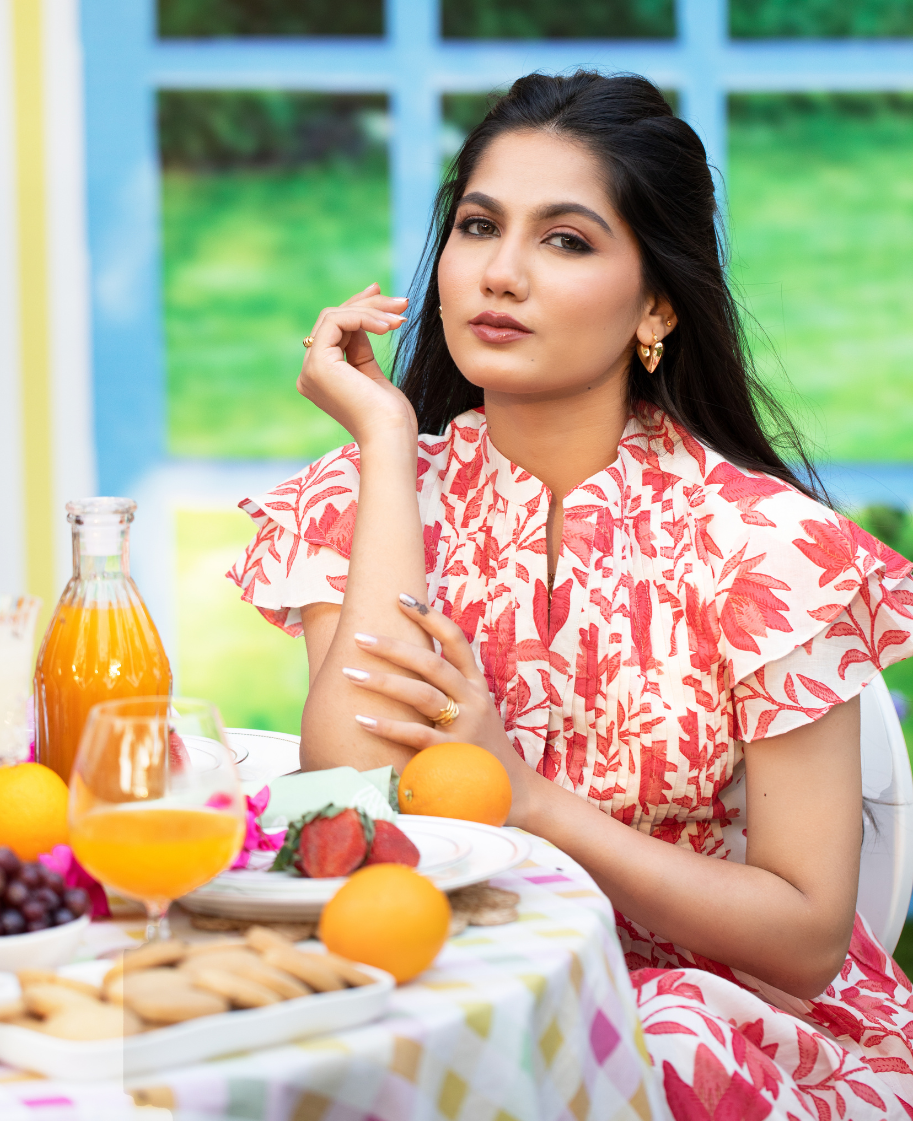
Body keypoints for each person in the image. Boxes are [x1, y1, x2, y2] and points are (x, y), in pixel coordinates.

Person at [230, 71, 913, 1118]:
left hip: (720, 1030)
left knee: (663, 1035)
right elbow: (348, 805)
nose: (499, 273)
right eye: (476, 225)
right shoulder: (368, 494)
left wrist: (531, 798)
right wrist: (384, 441)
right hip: (449, 999)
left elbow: (808, 934)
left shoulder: (767, 551)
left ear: (657, 303)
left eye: (566, 240)